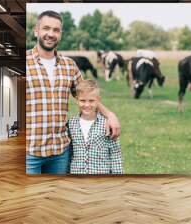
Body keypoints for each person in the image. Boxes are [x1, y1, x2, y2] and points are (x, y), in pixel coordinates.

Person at [26, 10, 120, 174]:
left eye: (56, 30)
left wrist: (110, 115)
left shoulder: (70, 65)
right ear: (36, 30)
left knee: (58, 197)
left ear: (60, 34)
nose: (51, 34)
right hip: (30, 152)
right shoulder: (24, 63)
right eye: (46, 28)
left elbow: (87, 96)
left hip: (60, 152)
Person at [68, 80, 123, 174]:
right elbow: (70, 154)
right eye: (82, 101)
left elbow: (115, 154)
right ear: (77, 100)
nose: (87, 105)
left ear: (98, 100)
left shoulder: (107, 124)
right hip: (77, 178)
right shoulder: (71, 124)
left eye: (91, 101)